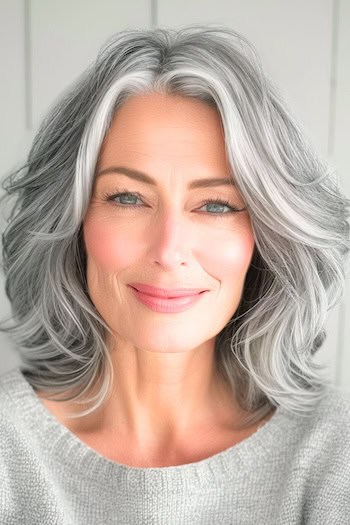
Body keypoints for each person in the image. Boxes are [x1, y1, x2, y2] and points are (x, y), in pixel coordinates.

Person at [0, 24, 349, 524]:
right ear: (73, 221)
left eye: (215, 205)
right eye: (127, 198)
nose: (168, 250)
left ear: (268, 236)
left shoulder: (335, 454)